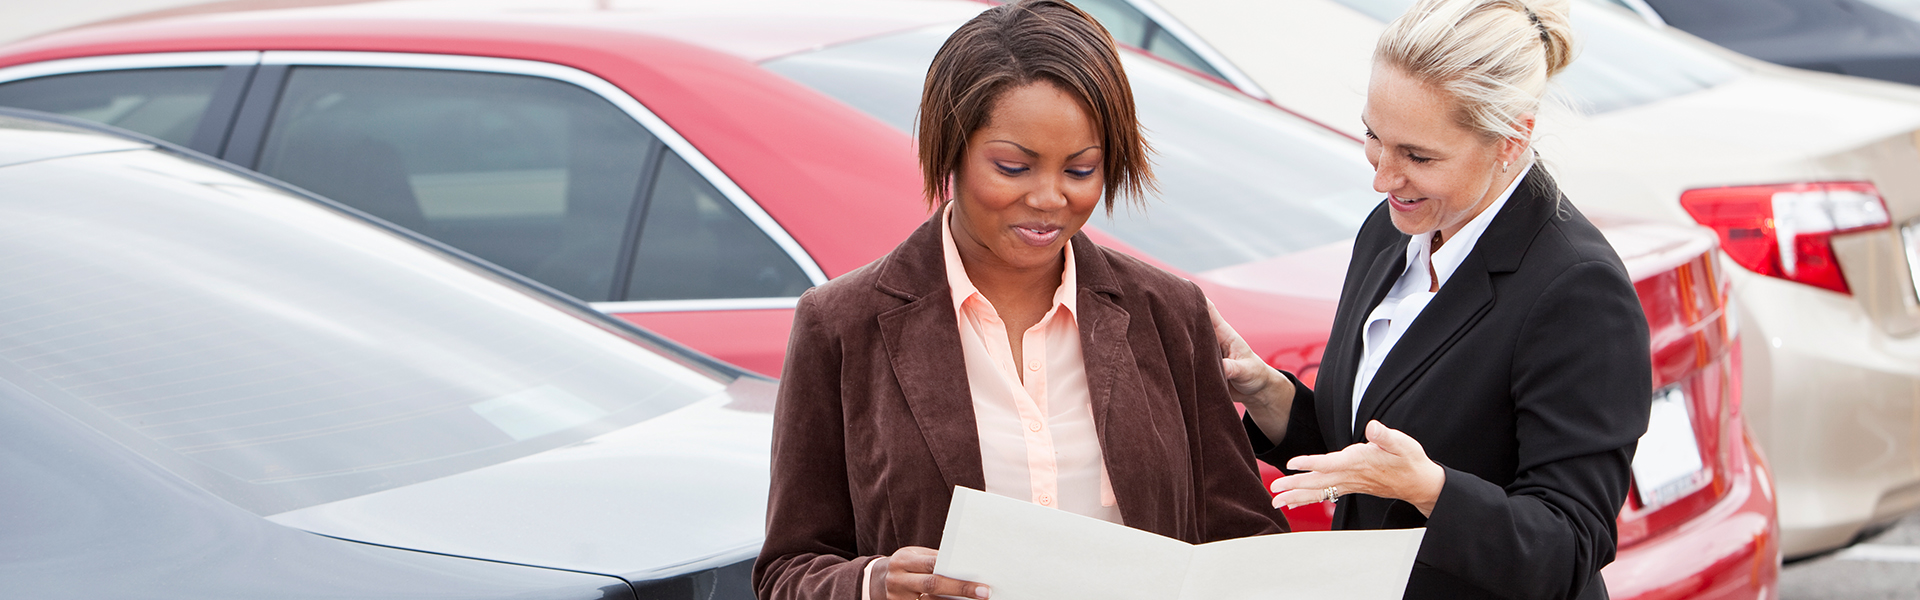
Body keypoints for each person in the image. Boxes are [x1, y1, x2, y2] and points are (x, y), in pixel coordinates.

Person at [751, 2, 1285, 600]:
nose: (1050, 198)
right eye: (1013, 166)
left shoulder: (1168, 312)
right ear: (950, 150)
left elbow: (1245, 539)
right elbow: (788, 569)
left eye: (1081, 171)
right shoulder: (841, 325)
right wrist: (874, 583)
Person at [1213, 0, 1650, 598]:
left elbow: (1570, 543)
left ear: (1510, 138)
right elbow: (1371, 448)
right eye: (1374, 136)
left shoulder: (1576, 288)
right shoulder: (1392, 230)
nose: (1382, 177)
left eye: (1418, 156)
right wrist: (1266, 392)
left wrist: (1430, 489)